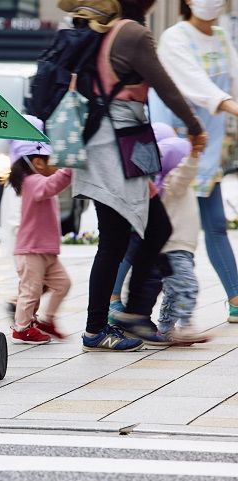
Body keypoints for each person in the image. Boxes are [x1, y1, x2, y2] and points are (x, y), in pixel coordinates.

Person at [71, 0, 207, 352]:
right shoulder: (131, 32)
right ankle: (130, 313)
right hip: (118, 144)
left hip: (102, 143)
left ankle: (97, 328)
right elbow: (165, 86)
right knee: (156, 227)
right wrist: (194, 127)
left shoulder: (105, 29)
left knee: (113, 241)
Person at [150, 0, 238, 323]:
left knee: (215, 224)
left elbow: (234, 80)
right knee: (150, 228)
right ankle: (116, 299)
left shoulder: (220, 37)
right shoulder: (175, 37)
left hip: (206, 148)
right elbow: (195, 84)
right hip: (174, 149)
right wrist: (231, 107)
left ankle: (236, 299)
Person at [7, 118, 72, 345]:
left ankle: (46, 320)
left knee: (63, 284)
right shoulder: (33, 181)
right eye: (47, 160)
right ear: (36, 162)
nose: (51, 164)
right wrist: (70, 166)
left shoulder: (36, 179)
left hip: (45, 250)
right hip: (31, 250)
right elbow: (52, 184)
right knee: (30, 290)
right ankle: (22, 327)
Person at [109, 122, 179, 314]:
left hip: (138, 222)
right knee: (127, 257)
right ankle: (116, 302)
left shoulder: (151, 169)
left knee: (128, 258)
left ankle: (119, 304)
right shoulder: (151, 169)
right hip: (137, 223)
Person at [153, 136, 213, 344]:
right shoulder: (173, 182)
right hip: (175, 249)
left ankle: (165, 329)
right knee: (188, 286)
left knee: (172, 291)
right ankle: (186, 326)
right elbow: (185, 173)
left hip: (179, 248)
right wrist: (193, 155)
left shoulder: (168, 185)